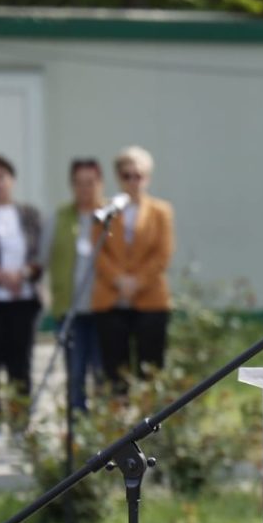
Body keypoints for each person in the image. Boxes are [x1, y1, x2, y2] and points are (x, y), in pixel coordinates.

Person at [0, 155, 44, 446]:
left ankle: (19, 424)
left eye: (2, 176)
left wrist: (22, 274)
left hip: (22, 300)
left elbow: (40, 253)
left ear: (12, 180)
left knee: (20, 365)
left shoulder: (29, 214)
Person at [93, 145, 174, 391]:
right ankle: (119, 422)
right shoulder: (106, 210)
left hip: (150, 298)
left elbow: (163, 254)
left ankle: (152, 422)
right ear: (118, 177)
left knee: (150, 367)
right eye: (126, 175)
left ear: (147, 177)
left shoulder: (161, 212)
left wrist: (136, 282)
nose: (133, 181)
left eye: (138, 175)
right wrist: (118, 280)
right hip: (111, 298)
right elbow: (97, 251)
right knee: (115, 369)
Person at [49, 158, 105, 412]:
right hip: (70, 308)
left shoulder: (109, 216)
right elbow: (45, 255)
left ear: (100, 184)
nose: (85, 189)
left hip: (103, 308)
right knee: (75, 372)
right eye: (79, 183)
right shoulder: (61, 217)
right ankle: (78, 428)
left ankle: (106, 429)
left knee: (103, 372)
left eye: (90, 182)